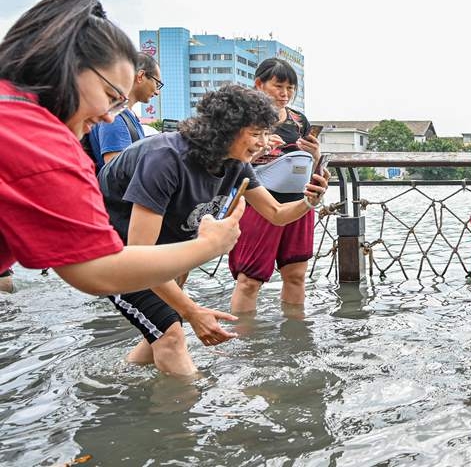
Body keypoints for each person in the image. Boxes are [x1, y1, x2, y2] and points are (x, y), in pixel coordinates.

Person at [0, 0, 243, 296]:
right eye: (111, 96)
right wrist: (210, 245)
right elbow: (101, 273)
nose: (108, 116)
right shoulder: (43, 143)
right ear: (72, 65)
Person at [100, 85, 329, 376]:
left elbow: (276, 214)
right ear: (226, 129)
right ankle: (190, 408)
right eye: (256, 134)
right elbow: (138, 257)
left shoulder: (236, 164)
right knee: (172, 335)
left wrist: (309, 201)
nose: (263, 143)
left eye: (265, 134)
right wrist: (193, 312)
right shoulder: (165, 158)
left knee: (161, 329)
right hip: (114, 253)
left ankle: (116, 382)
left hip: (163, 252)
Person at [228, 58, 321, 314]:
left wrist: (315, 155)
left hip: (298, 200)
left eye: (291, 88)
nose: (285, 94)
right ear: (259, 84)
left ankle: (295, 338)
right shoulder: (242, 119)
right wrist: (259, 151)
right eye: (278, 85)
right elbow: (232, 165)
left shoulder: (299, 120)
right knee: (249, 280)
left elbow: (309, 165)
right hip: (258, 199)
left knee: (296, 274)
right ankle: (245, 344)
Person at [85, 51, 163, 171]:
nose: (157, 92)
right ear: (141, 76)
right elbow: (117, 174)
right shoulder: (115, 117)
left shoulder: (126, 115)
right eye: (157, 84)